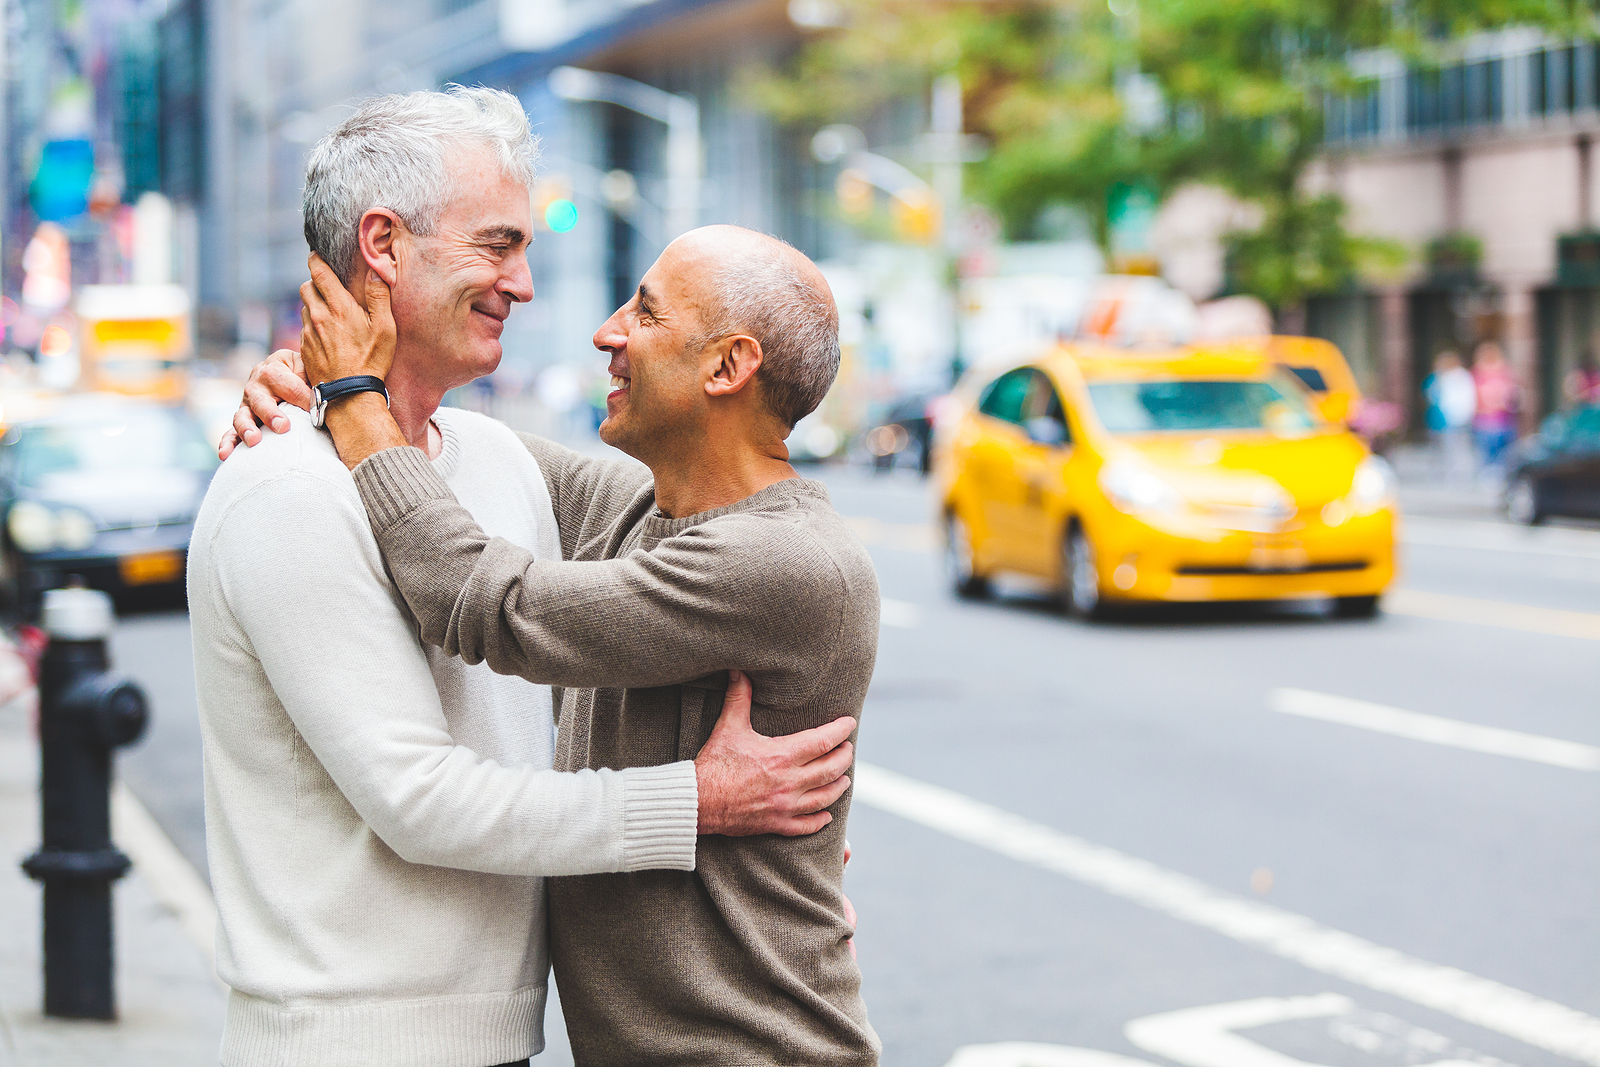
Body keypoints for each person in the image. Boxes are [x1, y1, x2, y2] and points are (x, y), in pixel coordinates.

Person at [195, 88, 856, 1067]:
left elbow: (664, 585)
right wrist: (697, 803)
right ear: (382, 243)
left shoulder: (494, 461)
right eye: (499, 244)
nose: (528, 284)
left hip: (497, 1037)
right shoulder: (286, 489)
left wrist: (766, 867)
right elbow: (421, 796)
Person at [1422, 349, 1475, 482]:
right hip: (1438, 419)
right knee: (1438, 447)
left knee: (1456, 447)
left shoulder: (1461, 377)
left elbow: (1465, 399)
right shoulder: (1436, 378)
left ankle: (1458, 473)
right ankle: (1439, 472)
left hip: (1457, 419)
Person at [1471, 340, 1519, 471]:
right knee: (1488, 454)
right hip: (1486, 420)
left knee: (1504, 454)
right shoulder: (1478, 372)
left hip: (1503, 419)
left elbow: (1512, 393)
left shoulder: (1504, 371)